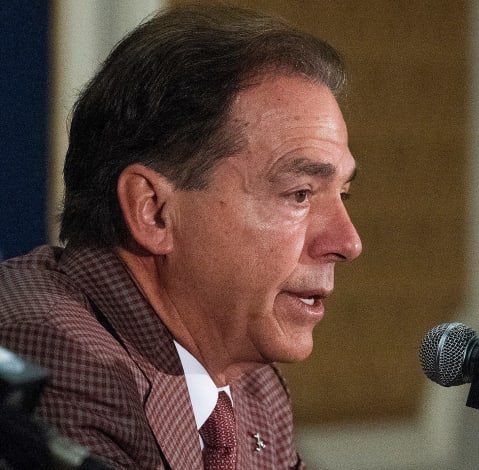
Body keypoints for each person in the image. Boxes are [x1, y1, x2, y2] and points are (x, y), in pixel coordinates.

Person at [0, 4, 362, 469]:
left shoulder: (255, 390)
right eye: (299, 194)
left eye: (343, 195)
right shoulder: (59, 356)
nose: (347, 242)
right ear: (153, 211)